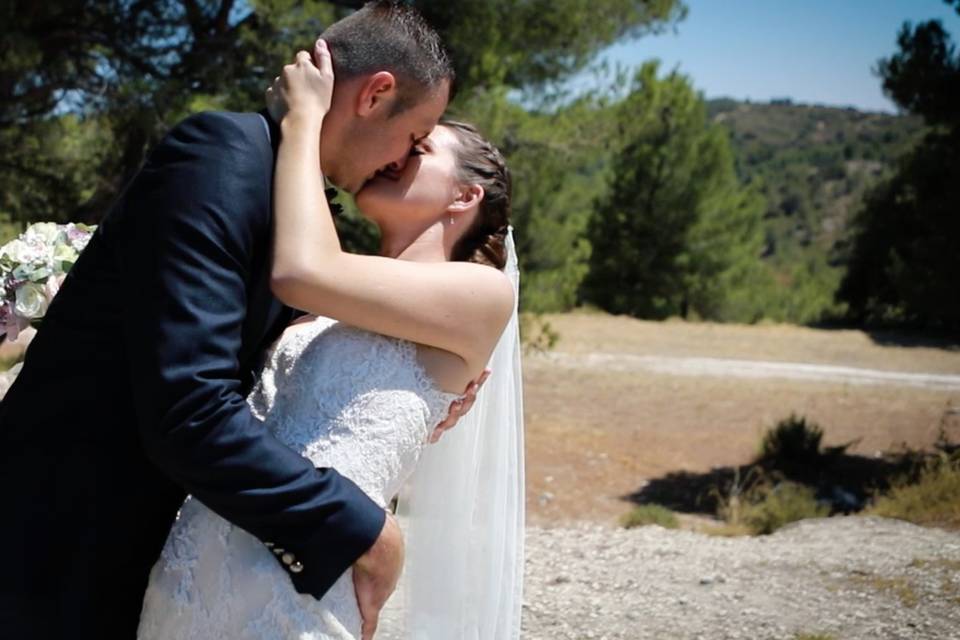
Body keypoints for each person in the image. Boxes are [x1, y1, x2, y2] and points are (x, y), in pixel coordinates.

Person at [0, 4, 477, 638]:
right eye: (413, 136)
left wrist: (413, 385)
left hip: (148, 564)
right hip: (54, 545)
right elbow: (188, 410)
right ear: (376, 94)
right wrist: (365, 529)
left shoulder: (297, 212)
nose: (401, 160)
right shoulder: (222, 156)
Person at [137, 40, 524, 639]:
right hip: (192, 568)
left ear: (464, 196)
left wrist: (306, 120)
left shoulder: (482, 295)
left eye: (421, 147)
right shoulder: (334, 295)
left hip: (295, 593)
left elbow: (301, 270)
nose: (399, 151)